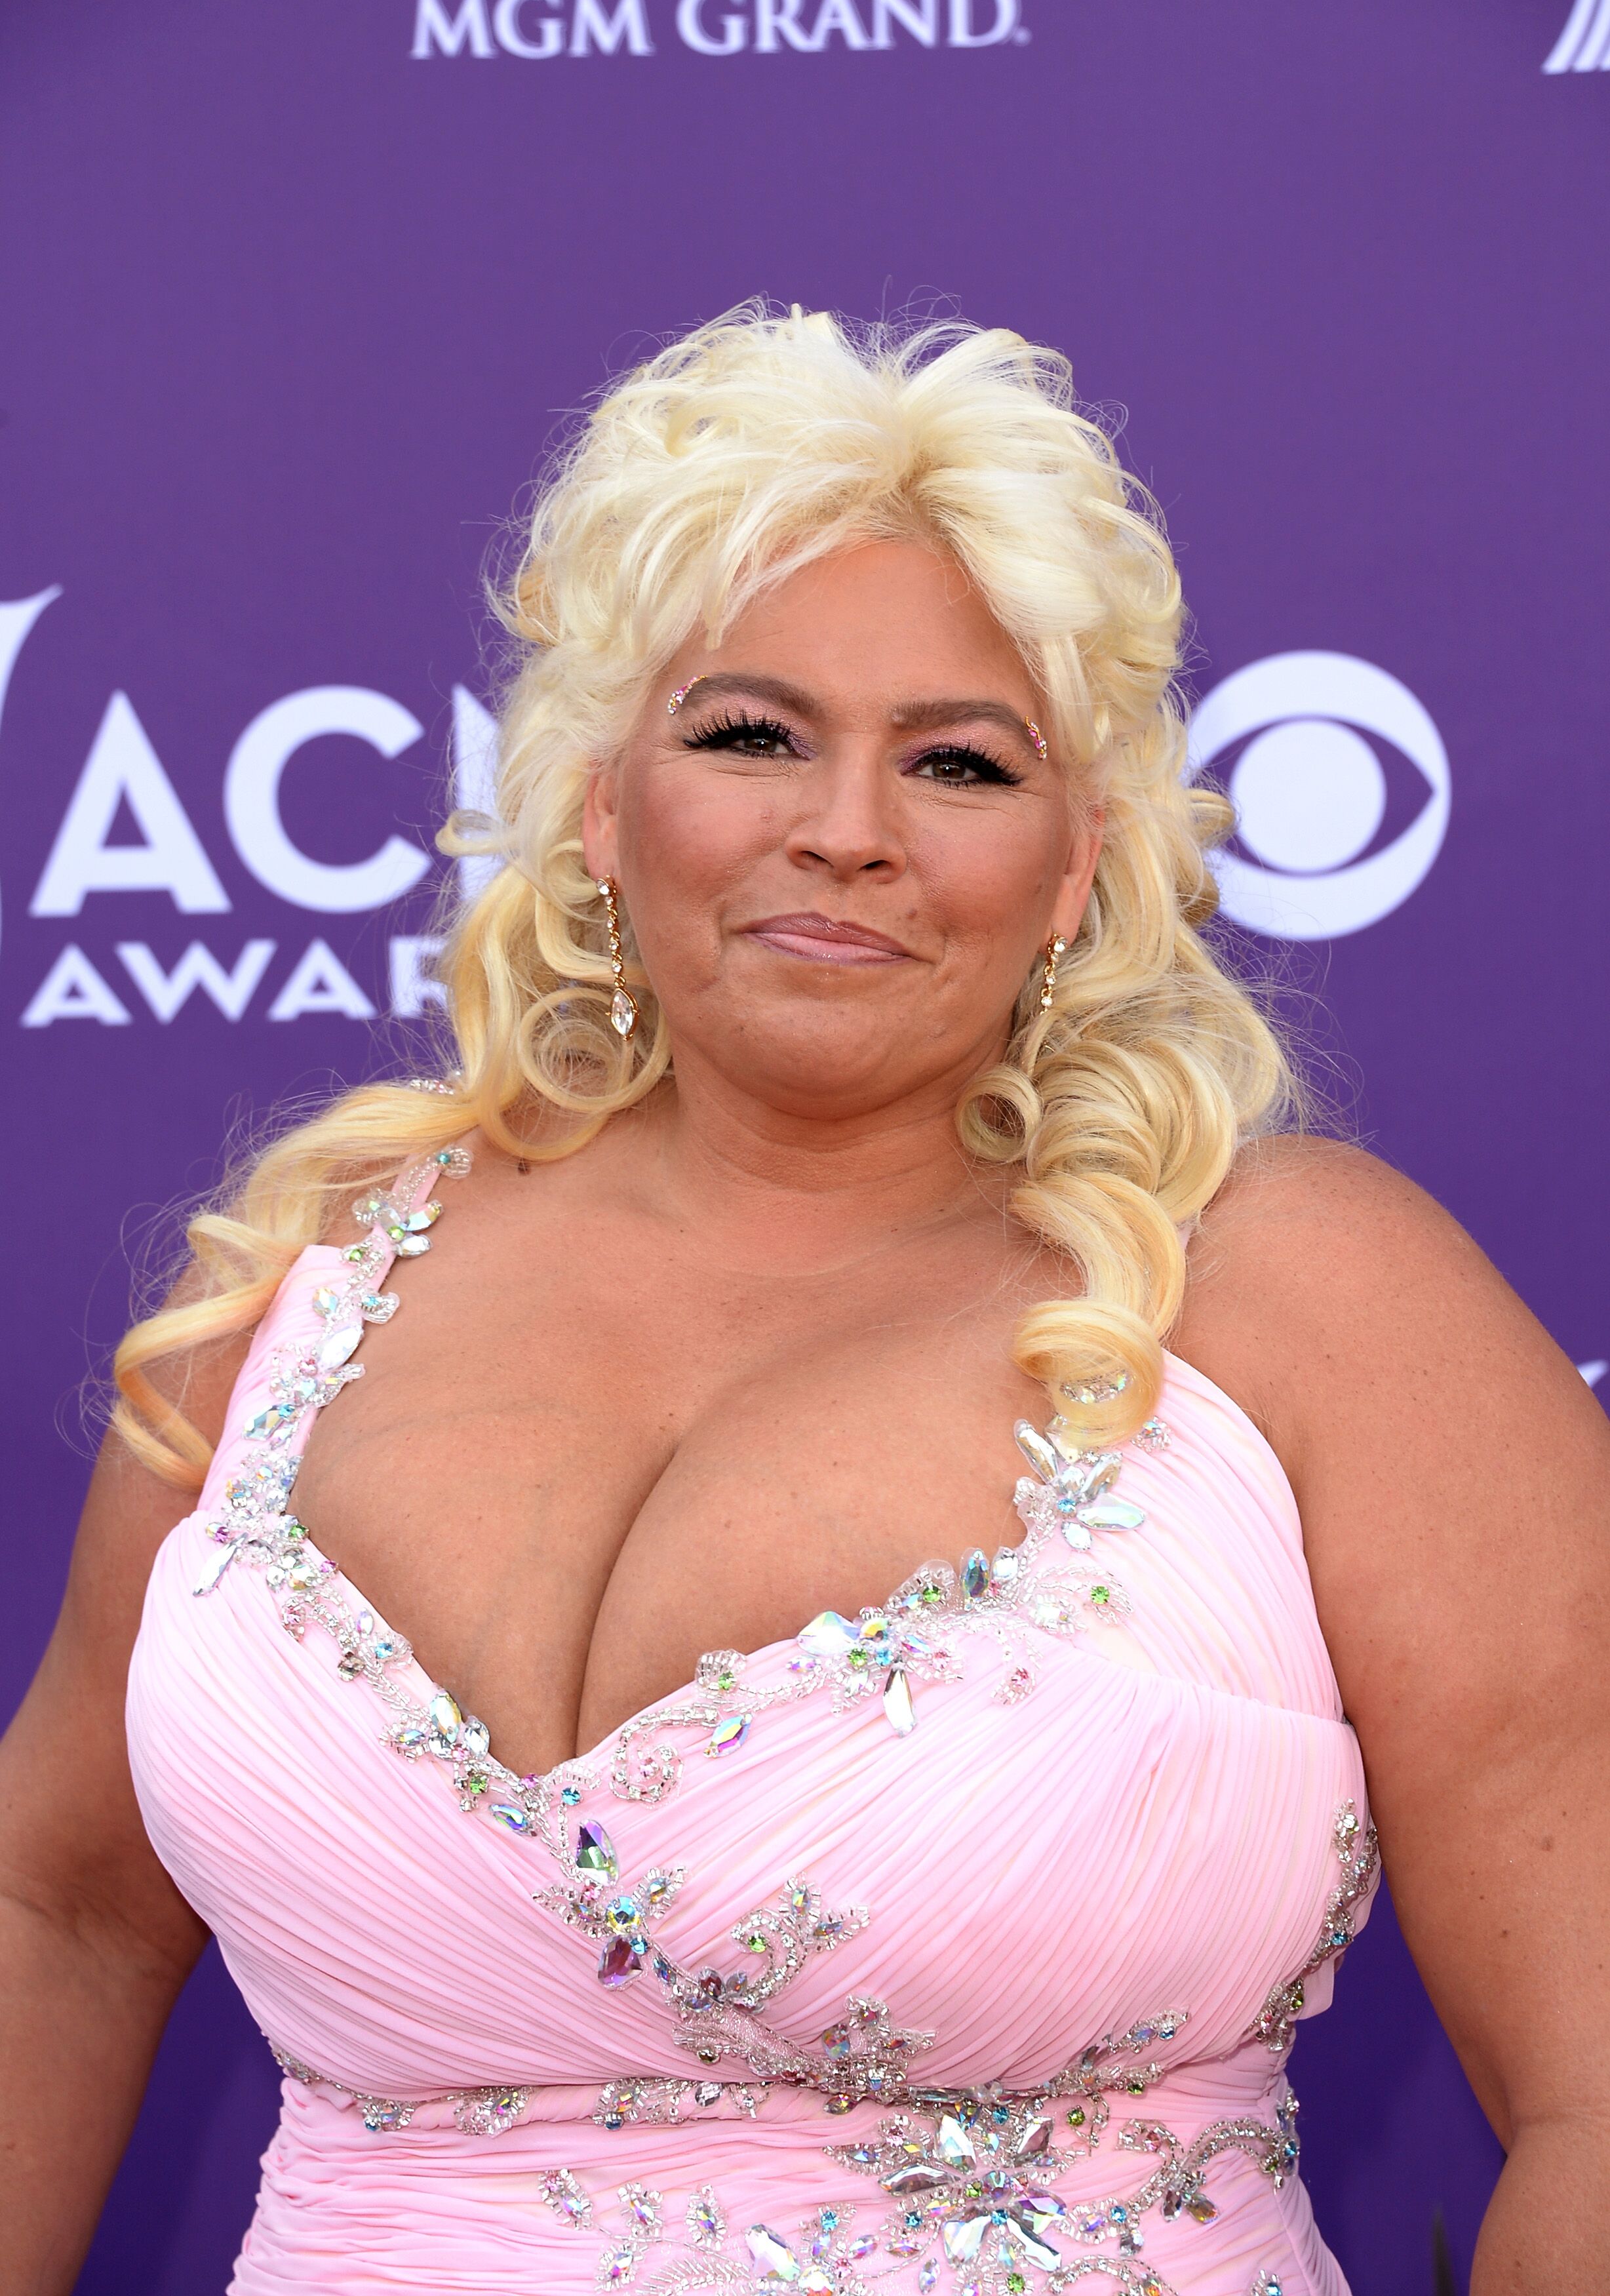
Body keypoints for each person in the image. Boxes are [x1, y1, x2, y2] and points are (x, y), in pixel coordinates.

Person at [1, 308, 1605, 2296]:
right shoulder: (305, 1280)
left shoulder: (1298, 1296)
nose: (846, 826)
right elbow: (54, 1917)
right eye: (752, 732)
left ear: (1079, 866)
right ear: (601, 807)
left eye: (957, 758)